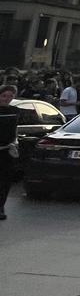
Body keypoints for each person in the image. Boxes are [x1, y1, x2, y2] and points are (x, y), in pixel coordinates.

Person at [0, 84, 16, 220]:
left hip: (6, 151)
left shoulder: (14, 111)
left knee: (4, 181)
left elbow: (14, 131)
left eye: (10, 96)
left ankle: (0, 208)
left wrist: (14, 143)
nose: (7, 99)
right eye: (4, 96)